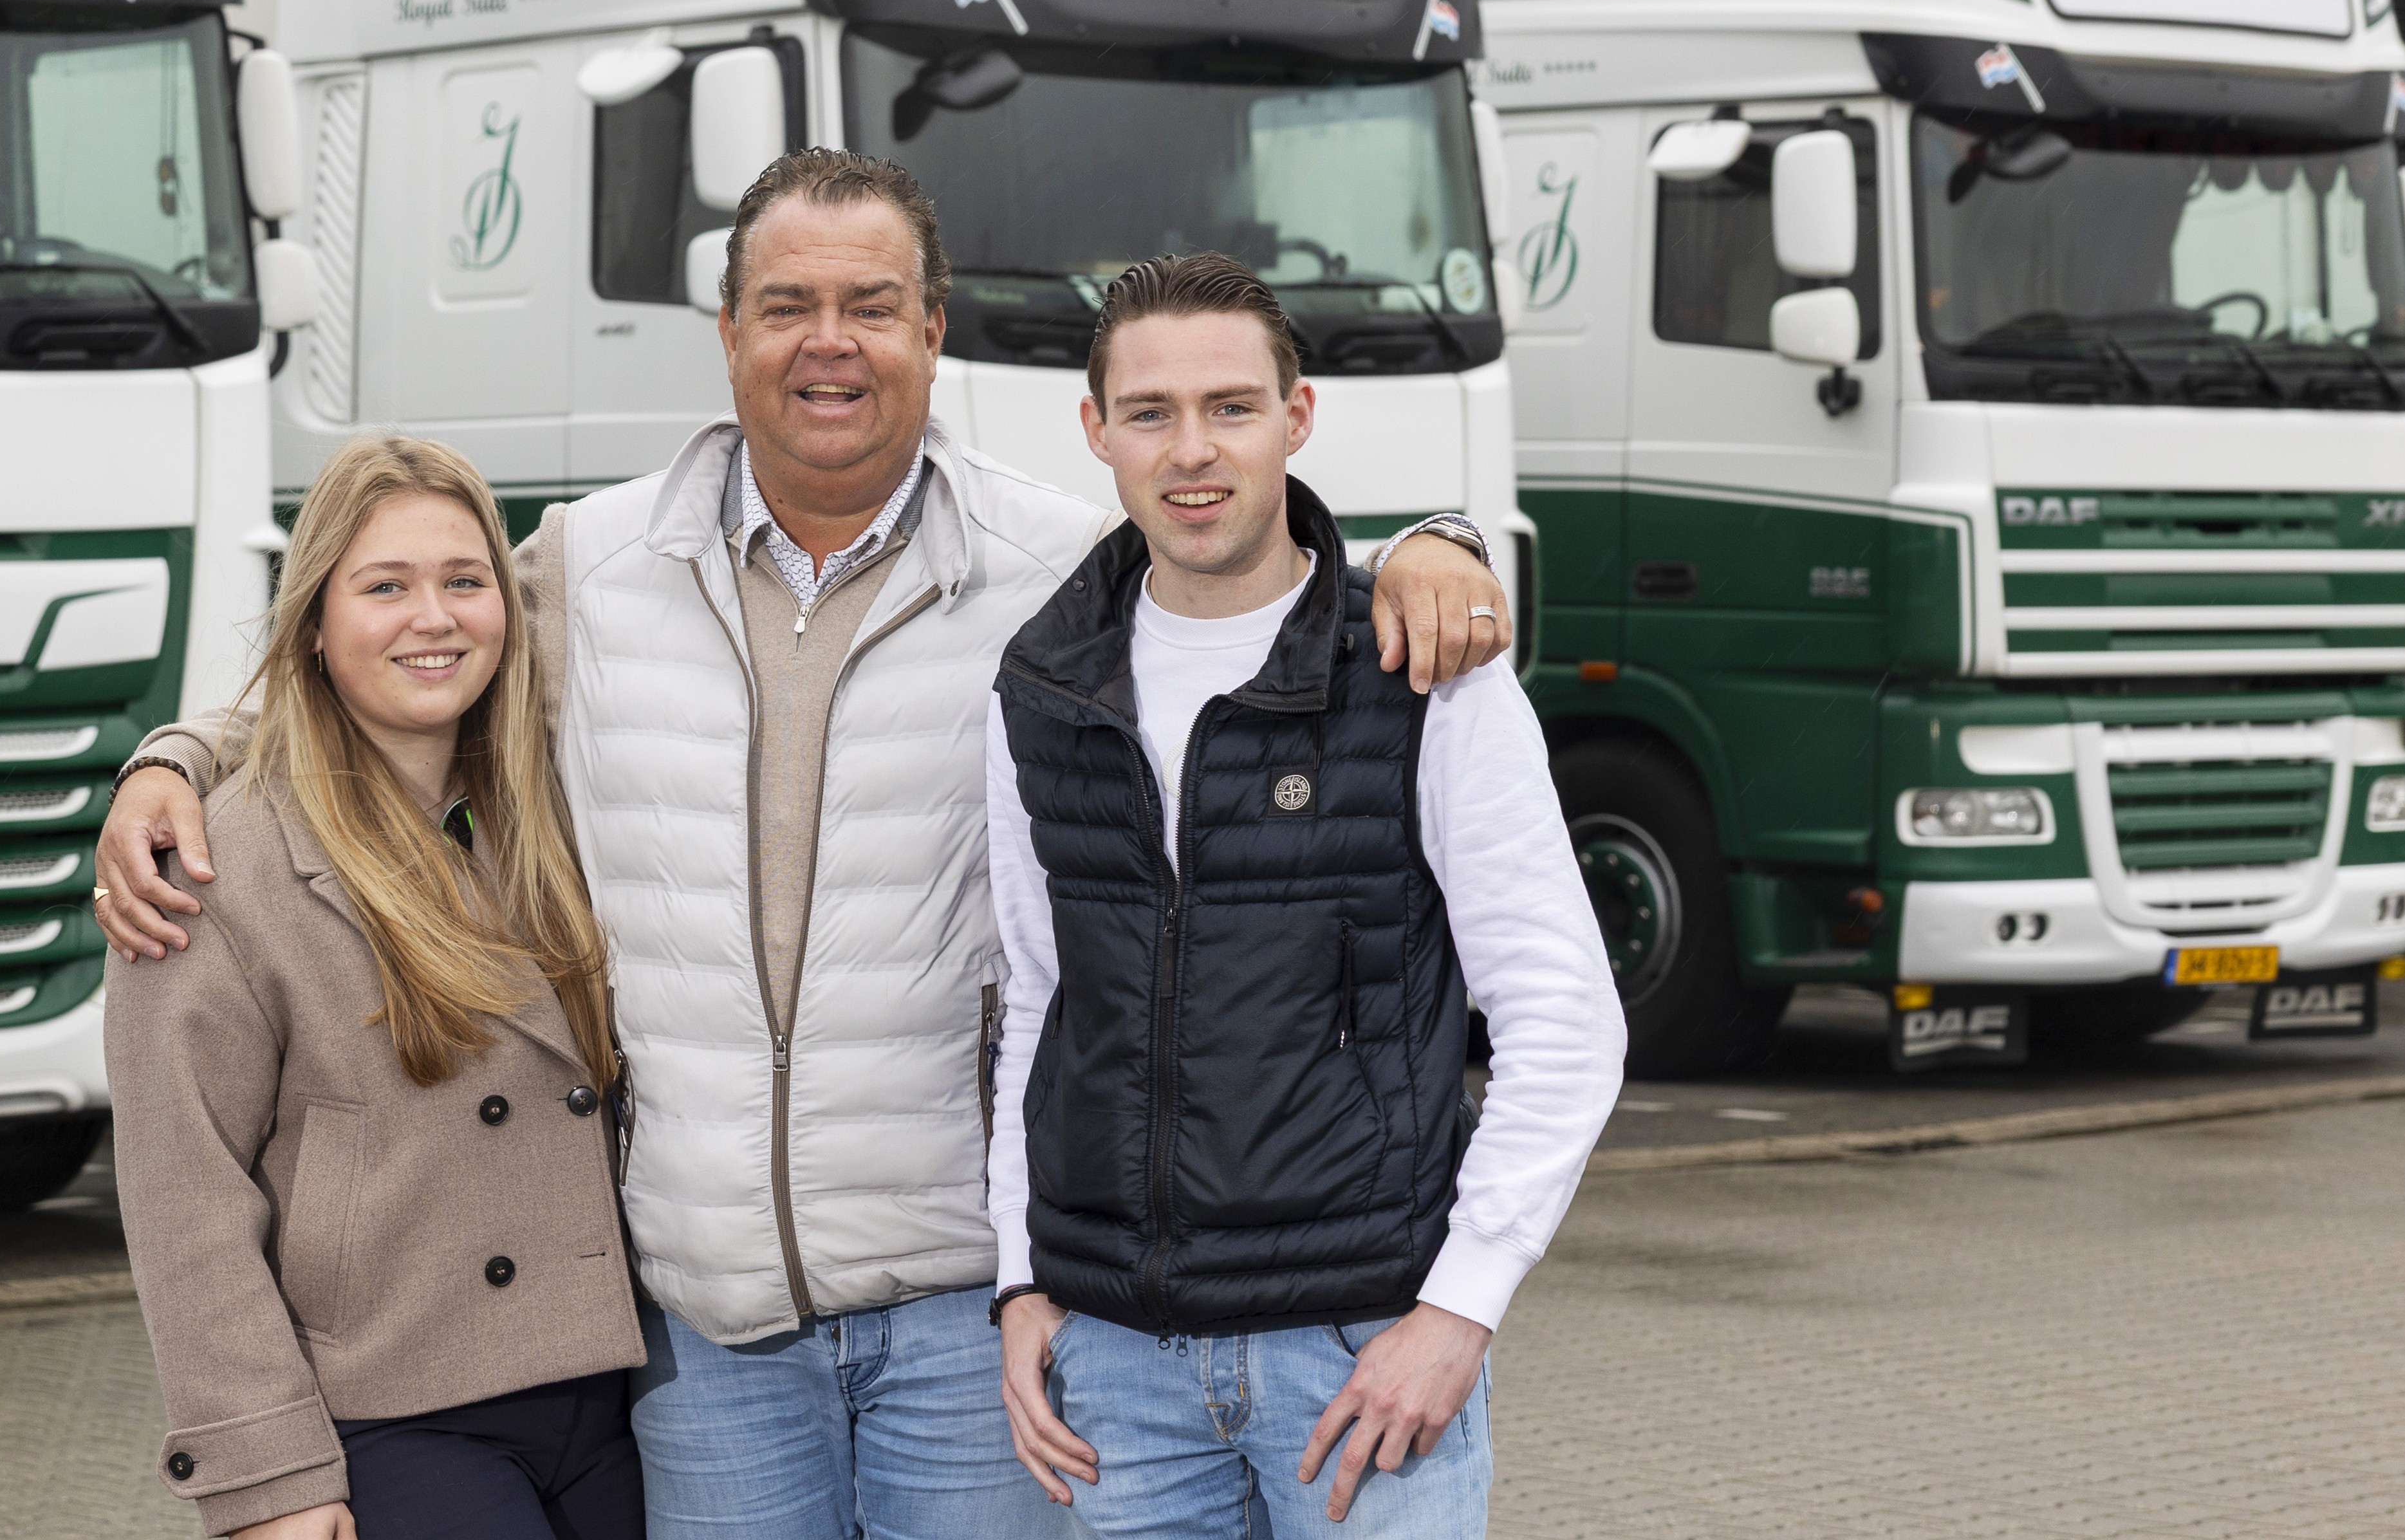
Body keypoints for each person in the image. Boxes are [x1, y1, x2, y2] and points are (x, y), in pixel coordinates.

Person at [97, 151, 1516, 1539]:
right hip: (706, 1344)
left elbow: (1245, 563)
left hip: (973, 1325)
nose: (826, 343)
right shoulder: (595, 569)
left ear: (930, 331)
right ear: (726, 335)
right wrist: (180, 755)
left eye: (869, 304)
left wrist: (1429, 548)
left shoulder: (1061, 576)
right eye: (784, 306)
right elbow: (394, 651)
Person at [985, 255, 1624, 1537]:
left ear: (1297, 415)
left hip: (1357, 1355)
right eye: (1151, 412)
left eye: (1229, 406)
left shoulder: (1418, 669)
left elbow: (1563, 1016)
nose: (1191, 451)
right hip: (1115, 1363)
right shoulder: (1041, 686)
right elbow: (1037, 1004)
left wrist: (1458, 1308)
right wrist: (1020, 1277)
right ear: (1093, 429)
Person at [106, 434, 642, 1540]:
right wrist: (267, 1480)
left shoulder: (561, 808)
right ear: (314, 622)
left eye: (464, 580)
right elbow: (185, 1196)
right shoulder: (215, 864)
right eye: (384, 586)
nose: (433, 617)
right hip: (391, 1417)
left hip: (615, 1395)